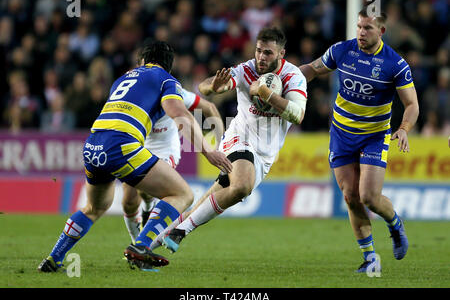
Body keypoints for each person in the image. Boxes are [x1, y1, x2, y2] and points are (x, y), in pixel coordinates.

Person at [37, 40, 232, 272]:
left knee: (94, 207)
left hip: (93, 144)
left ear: (142, 61)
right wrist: (208, 151)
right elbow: (178, 113)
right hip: (122, 144)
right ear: (169, 65)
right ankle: (141, 245)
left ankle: (53, 258)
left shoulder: (122, 79)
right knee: (182, 194)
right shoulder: (166, 79)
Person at [160, 27, 308, 254]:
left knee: (207, 202)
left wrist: (267, 94)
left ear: (281, 54)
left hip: (265, 153)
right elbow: (206, 86)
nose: (260, 57)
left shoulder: (293, 76)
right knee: (241, 186)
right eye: (258, 50)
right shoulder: (246, 69)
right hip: (239, 138)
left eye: (268, 52)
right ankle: (181, 232)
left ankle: (146, 245)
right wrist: (215, 86)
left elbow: (298, 115)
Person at [298, 8, 419, 273]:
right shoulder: (343, 50)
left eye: (368, 29)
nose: (361, 33)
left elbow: (412, 104)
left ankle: (395, 225)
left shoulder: (394, 64)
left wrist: (405, 128)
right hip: (341, 134)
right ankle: (370, 257)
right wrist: (287, 79)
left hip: (374, 136)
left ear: (382, 32)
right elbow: (312, 69)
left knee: (369, 197)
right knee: (351, 196)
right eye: (359, 27)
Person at [122, 85, 224, 244]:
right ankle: (139, 237)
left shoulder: (174, 91)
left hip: (165, 151)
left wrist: (221, 142)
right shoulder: (133, 92)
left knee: (145, 190)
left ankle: (139, 244)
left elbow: (209, 107)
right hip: (138, 148)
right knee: (128, 202)